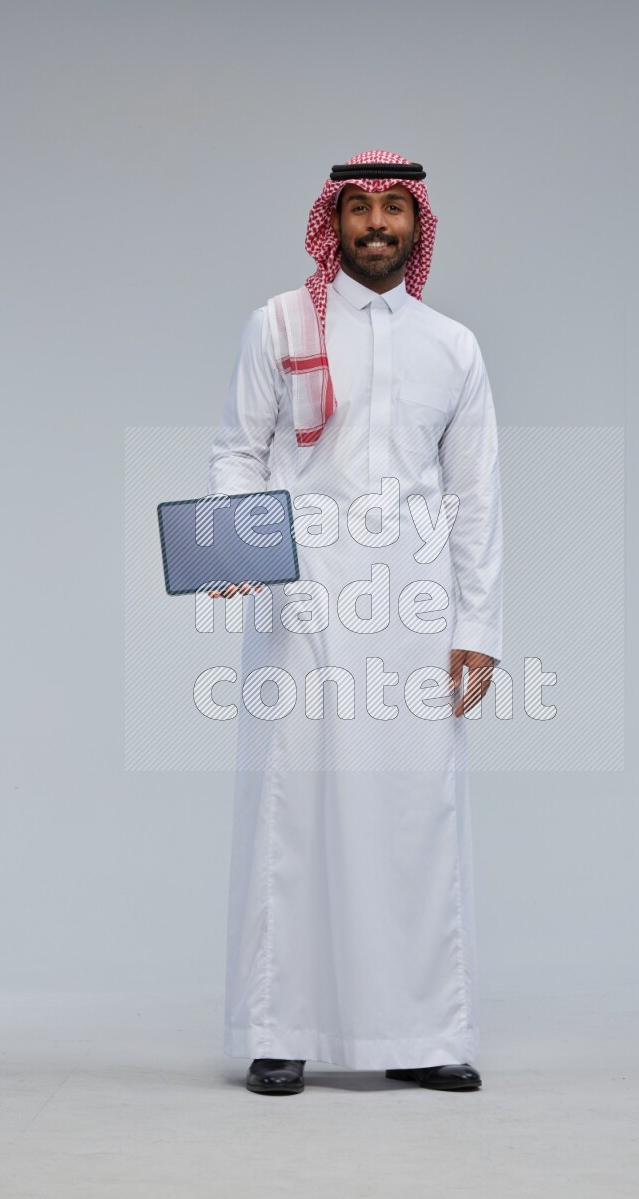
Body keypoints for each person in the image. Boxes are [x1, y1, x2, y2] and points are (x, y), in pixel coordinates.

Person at [207, 150, 503, 1095]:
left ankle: (417, 1034)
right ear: (331, 224)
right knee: (297, 808)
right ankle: (279, 1027)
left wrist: (479, 625)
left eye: (394, 211)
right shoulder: (281, 322)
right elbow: (237, 451)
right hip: (305, 597)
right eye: (360, 210)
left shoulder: (452, 345)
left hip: (415, 610)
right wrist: (234, 554)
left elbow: (477, 497)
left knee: (416, 813)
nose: (377, 225)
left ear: (418, 226)